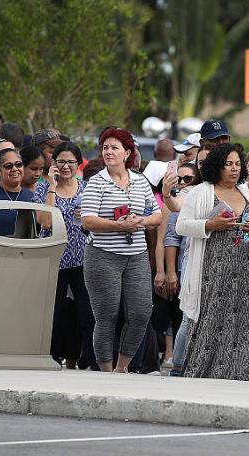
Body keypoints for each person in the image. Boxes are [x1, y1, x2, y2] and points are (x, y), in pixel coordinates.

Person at [175, 143, 249, 380]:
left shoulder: (248, 195)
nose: (234, 169)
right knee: (209, 321)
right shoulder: (201, 192)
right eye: (228, 164)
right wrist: (211, 225)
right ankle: (202, 374)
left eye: (238, 164)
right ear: (217, 166)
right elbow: (181, 226)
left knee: (243, 321)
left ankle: (242, 374)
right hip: (211, 272)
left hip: (246, 273)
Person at [80, 127, 162, 373]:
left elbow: (157, 215)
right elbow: (88, 221)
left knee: (141, 313)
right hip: (102, 256)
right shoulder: (96, 182)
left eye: (114, 147)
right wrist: (118, 225)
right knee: (106, 316)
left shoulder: (140, 181)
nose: (108, 152)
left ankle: (121, 368)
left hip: (136, 256)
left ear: (127, 153)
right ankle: (106, 370)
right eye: (105, 148)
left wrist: (140, 221)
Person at [33, 142, 94, 370]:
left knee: (87, 312)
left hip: (83, 259)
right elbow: (45, 222)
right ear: (53, 164)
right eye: (61, 162)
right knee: (55, 313)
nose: (66, 167)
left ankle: (89, 358)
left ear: (78, 164)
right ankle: (53, 356)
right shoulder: (42, 188)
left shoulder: (87, 188)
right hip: (53, 259)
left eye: (70, 162)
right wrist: (51, 185)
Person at [163, 163, 200, 375]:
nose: (183, 183)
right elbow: (171, 237)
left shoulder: (228, 191)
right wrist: (169, 272)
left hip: (216, 261)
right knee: (188, 316)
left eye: (188, 178)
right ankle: (177, 367)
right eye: (180, 179)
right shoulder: (189, 195)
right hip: (189, 261)